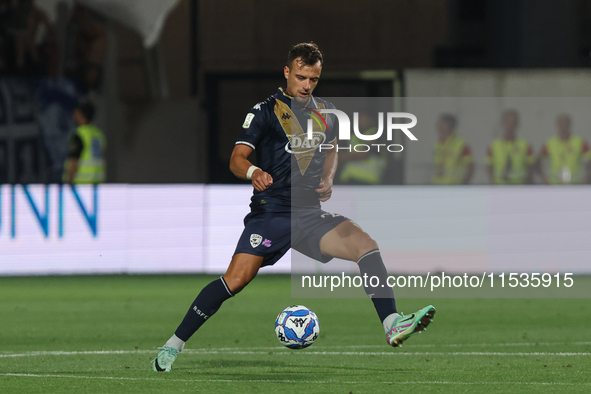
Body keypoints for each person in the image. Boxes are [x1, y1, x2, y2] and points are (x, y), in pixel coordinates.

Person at [151, 42, 436, 372]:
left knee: (365, 245)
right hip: (271, 212)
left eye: (313, 79)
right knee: (236, 279)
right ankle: (174, 344)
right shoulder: (265, 112)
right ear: (287, 72)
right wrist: (254, 171)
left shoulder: (325, 113)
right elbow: (236, 159)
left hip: (309, 214)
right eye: (301, 77)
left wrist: (328, 179)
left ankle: (391, 324)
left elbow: (332, 151)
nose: (306, 85)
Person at [537, 114, 591, 185]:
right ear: (557, 125)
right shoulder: (549, 143)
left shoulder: (579, 142)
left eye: (566, 123)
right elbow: (537, 162)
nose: (563, 126)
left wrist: (586, 179)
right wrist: (544, 179)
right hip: (555, 184)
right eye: (561, 123)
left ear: (570, 124)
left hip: (575, 184)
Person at [337, 111, 387, 185]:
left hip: (369, 181)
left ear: (371, 120)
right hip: (350, 179)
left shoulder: (376, 134)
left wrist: (348, 156)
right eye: (358, 118)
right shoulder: (353, 136)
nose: (360, 121)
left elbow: (364, 154)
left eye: (363, 118)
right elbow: (338, 156)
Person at [486, 110, 535, 185]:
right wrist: (493, 182)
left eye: (513, 123)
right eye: (508, 122)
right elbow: (489, 166)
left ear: (517, 125)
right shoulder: (493, 146)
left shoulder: (525, 145)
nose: (510, 126)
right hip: (500, 188)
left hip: (519, 188)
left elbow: (531, 166)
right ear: (502, 123)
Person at [63, 101, 106, 184]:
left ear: (81, 114)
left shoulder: (80, 134)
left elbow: (74, 160)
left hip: (82, 182)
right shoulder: (97, 134)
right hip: (97, 181)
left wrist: (69, 182)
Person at [432, 114, 474, 185]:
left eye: (441, 124)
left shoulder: (461, 145)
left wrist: (464, 184)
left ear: (448, 126)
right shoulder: (438, 145)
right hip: (438, 186)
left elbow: (470, 166)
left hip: (454, 187)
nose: (438, 126)